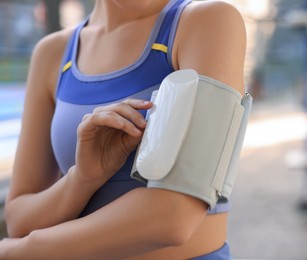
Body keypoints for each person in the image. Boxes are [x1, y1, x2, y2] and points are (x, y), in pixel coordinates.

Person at [0, 0, 246, 259]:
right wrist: (82, 179)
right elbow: (20, 220)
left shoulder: (206, 21)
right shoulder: (52, 52)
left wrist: (25, 250)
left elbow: (172, 216)